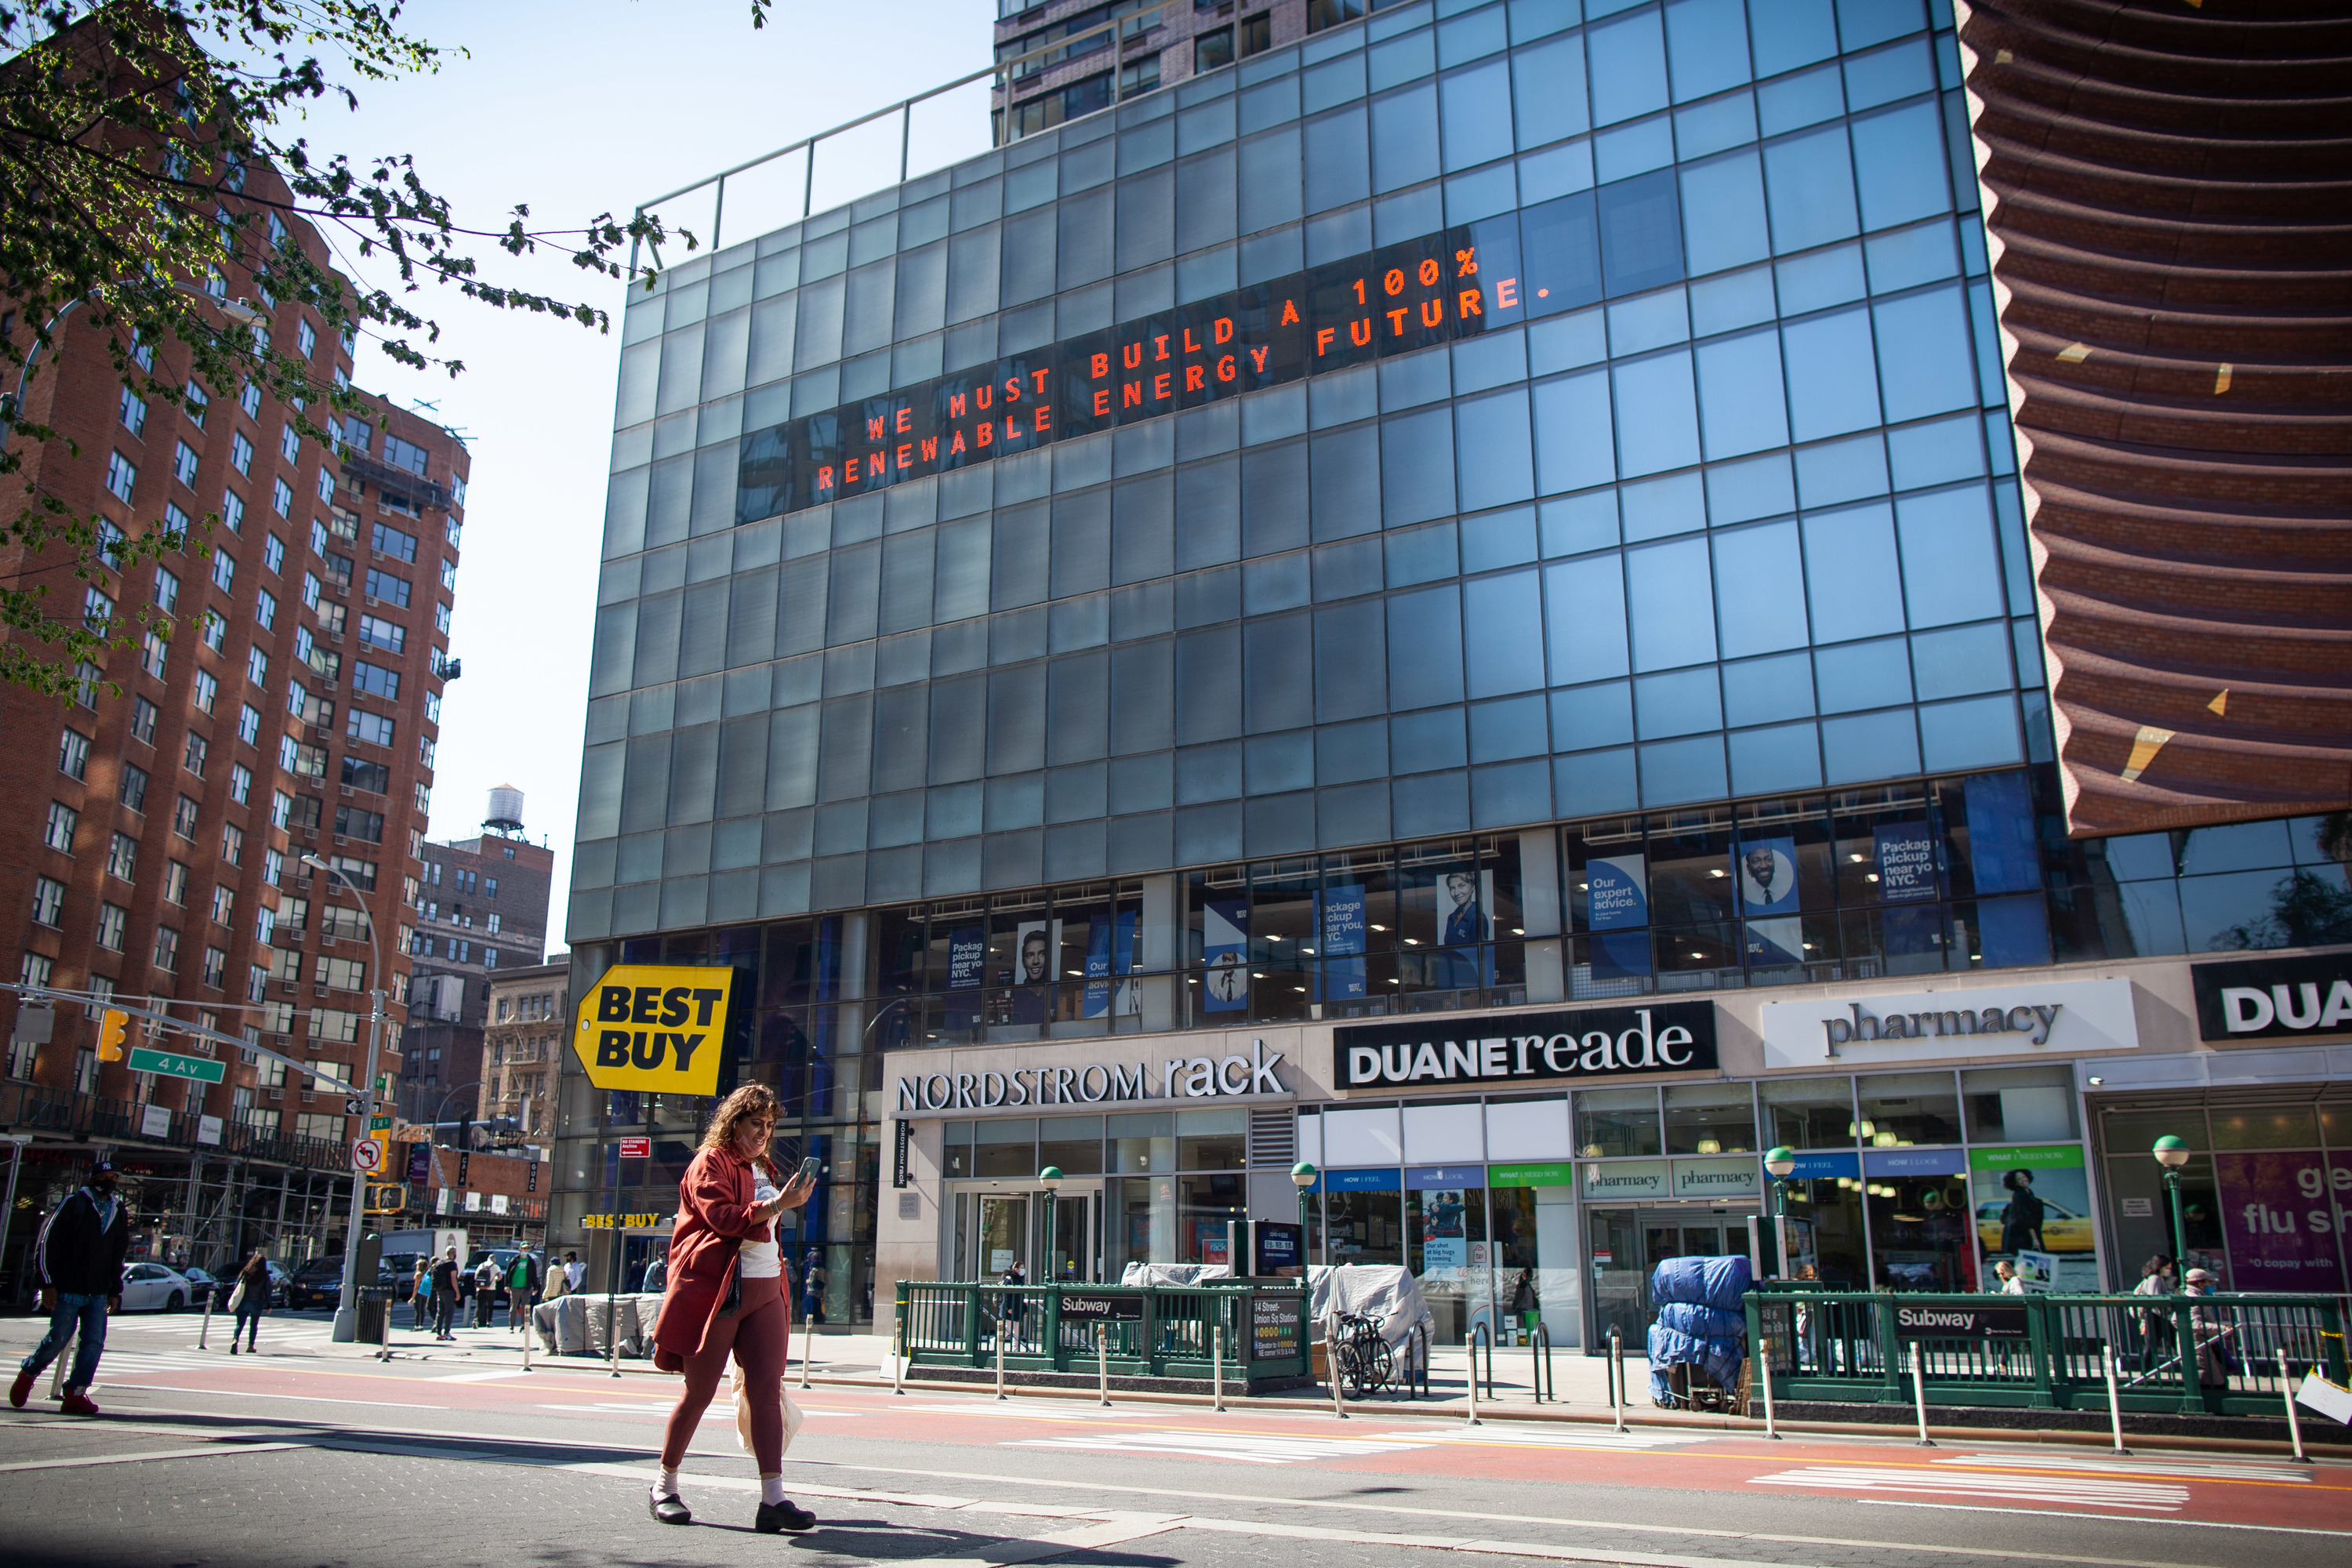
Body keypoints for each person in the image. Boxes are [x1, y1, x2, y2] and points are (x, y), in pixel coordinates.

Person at [647, 1083, 817, 1534]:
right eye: (755, 1123)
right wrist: (779, 1203)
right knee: (699, 1392)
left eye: (769, 1125)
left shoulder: (760, 1164)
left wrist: (782, 1202)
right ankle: (664, 1485)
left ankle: (773, 1499)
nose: (764, 1132)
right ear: (733, 1122)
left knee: (765, 1390)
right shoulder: (710, 1161)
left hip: (765, 1289)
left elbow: (767, 1224)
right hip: (719, 1289)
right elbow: (722, 1218)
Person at [9, 1160, 131, 1415]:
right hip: (67, 1288)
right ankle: (28, 1373)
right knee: (58, 1339)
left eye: (114, 1177)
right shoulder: (73, 1203)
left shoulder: (118, 1210)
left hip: (97, 1292)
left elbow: (118, 1254)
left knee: (94, 1342)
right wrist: (48, 1284)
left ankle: (76, 1392)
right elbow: (47, 1244)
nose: (110, 1181)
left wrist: (113, 1290)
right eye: (106, 1176)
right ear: (94, 1178)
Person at [2132, 1253, 2176, 1369]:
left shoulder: (2151, 1278)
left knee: (2153, 1346)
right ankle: (2145, 1373)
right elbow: (2154, 1298)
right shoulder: (2155, 1278)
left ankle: (2145, 1373)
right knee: (2155, 1346)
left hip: (2155, 1316)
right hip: (2156, 1316)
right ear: (2160, 1267)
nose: (2169, 1271)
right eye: (2167, 1268)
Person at [229, 1250, 273, 1353]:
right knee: (253, 1325)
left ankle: (235, 1340)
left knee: (240, 1324)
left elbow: (237, 1286)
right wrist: (269, 1305)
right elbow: (268, 1291)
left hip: (243, 1302)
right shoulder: (265, 1276)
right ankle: (250, 1345)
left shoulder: (245, 1273)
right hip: (257, 1302)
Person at [1998, 1169, 2045, 1256]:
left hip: (2027, 1235)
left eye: (2024, 1177)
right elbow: (2026, 1219)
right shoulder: (2020, 1195)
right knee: (2031, 1263)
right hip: (2025, 1237)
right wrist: (2034, 1239)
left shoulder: (2028, 1192)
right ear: (2015, 1183)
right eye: (2019, 1179)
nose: (2023, 1179)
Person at [428, 1246, 461, 1341]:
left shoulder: (439, 1263)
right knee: (450, 1311)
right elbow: (453, 1279)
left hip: (439, 1289)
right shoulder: (452, 1264)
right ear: (453, 1253)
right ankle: (447, 1332)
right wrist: (457, 1292)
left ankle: (439, 1332)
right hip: (449, 1290)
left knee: (440, 1311)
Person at [507, 1250, 539, 1331]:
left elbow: (534, 1275)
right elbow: (508, 1273)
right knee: (514, 1307)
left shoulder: (531, 1261)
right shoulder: (515, 1259)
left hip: (526, 1287)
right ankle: (512, 1326)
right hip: (515, 1287)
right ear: (520, 1249)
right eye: (524, 1248)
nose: (525, 1250)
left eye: (527, 1248)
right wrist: (507, 1285)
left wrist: (535, 1287)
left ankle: (523, 1326)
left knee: (526, 1307)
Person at [800, 1249, 827, 1327]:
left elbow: (812, 1282)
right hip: (820, 1292)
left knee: (809, 1306)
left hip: (812, 1292)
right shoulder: (822, 1270)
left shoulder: (814, 1270)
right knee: (818, 1306)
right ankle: (819, 1319)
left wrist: (807, 1281)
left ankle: (811, 1320)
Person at [474, 1254, 501, 1328]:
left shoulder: (481, 1265)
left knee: (479, 1305)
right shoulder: (495, 1266)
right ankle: (489, 1322)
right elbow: (500, 1277)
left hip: (480, 1289)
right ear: (494, 1259)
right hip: (491, 1289)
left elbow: (476, 1277)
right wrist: (495, 1279)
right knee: (490, 1306)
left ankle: (475, 1320)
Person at [409, 1257, 432, 1330]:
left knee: (417, 1310)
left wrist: (412, 1297)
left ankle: (416, 1325)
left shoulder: (418, 1274)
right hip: (425, 1292)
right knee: (423, 1309)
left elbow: (416, 1287)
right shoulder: (427, 1273)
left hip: (419, 1293)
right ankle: (421, 1325)